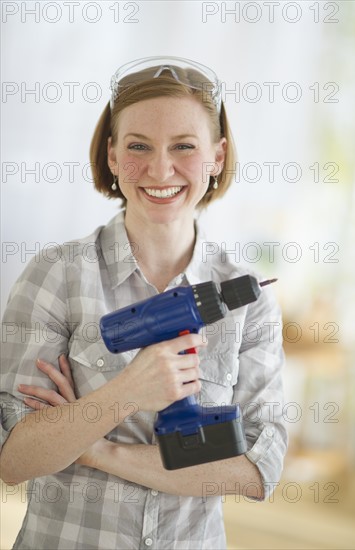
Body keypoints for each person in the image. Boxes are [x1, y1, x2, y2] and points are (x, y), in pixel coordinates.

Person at [0, 56, 287, 550]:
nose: (160, 169)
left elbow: (255, 474)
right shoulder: (57, 275)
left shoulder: (249, 299)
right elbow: (15, 459)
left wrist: (96, 449)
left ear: (217, 157)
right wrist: (128, 392)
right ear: (112, 156)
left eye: (184, 147)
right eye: (138, 146)